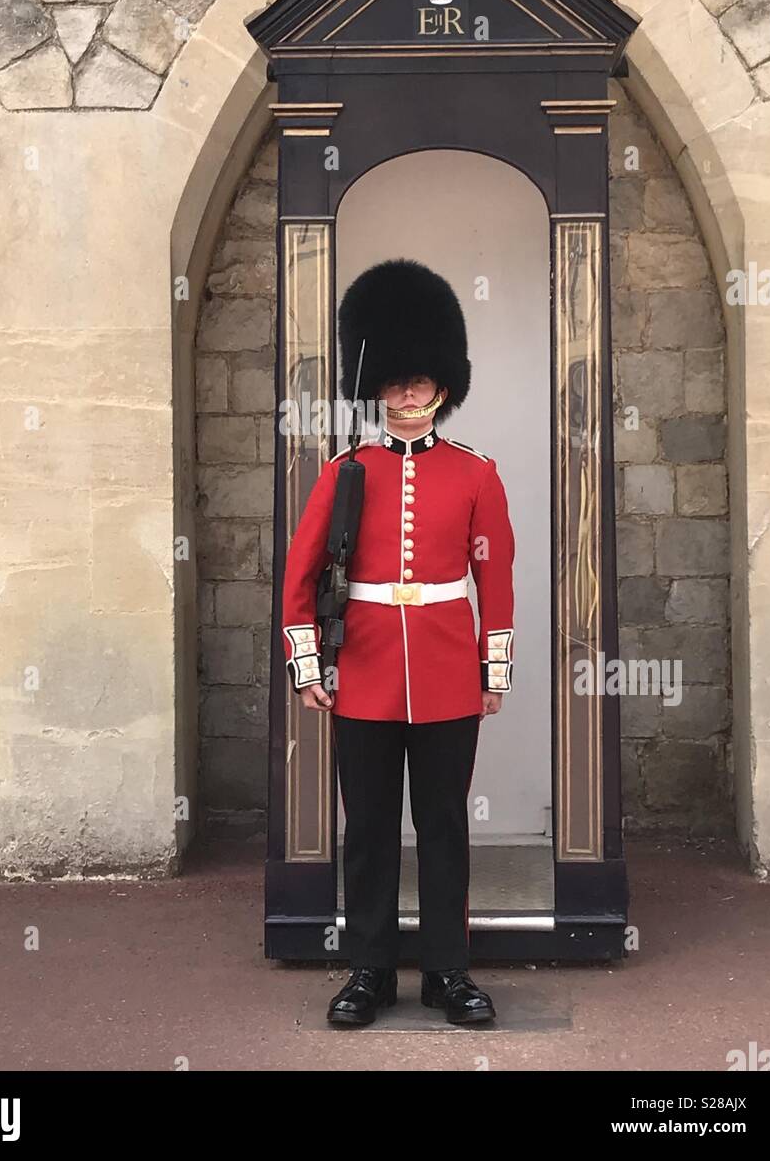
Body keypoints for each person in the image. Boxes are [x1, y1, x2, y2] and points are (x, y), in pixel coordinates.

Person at [280, 258, 515, 1027]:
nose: (407, 396)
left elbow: (497, 581)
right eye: (394, 383)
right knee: (370, 830)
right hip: (366, 673)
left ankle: (449, 972)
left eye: (420, 383)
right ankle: (370, 971)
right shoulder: (345, 471)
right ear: (375, 387)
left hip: (448, 671)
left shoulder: (476, 474)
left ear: (443, 387)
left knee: (444, 828)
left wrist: (493, 668)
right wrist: (309, 664)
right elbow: (301, 572)